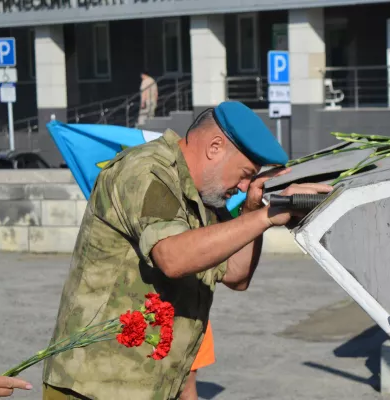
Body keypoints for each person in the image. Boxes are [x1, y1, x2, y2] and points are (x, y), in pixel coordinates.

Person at [41, 101, 332, 400]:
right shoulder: (145, 170)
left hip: (151, 386)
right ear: (215, 147)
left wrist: (252, 210)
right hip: (94, 387)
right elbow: (173, 258)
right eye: (245, 173)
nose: (244, 186)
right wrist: (266, 217)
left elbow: (236, 275)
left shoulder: (203, 197)